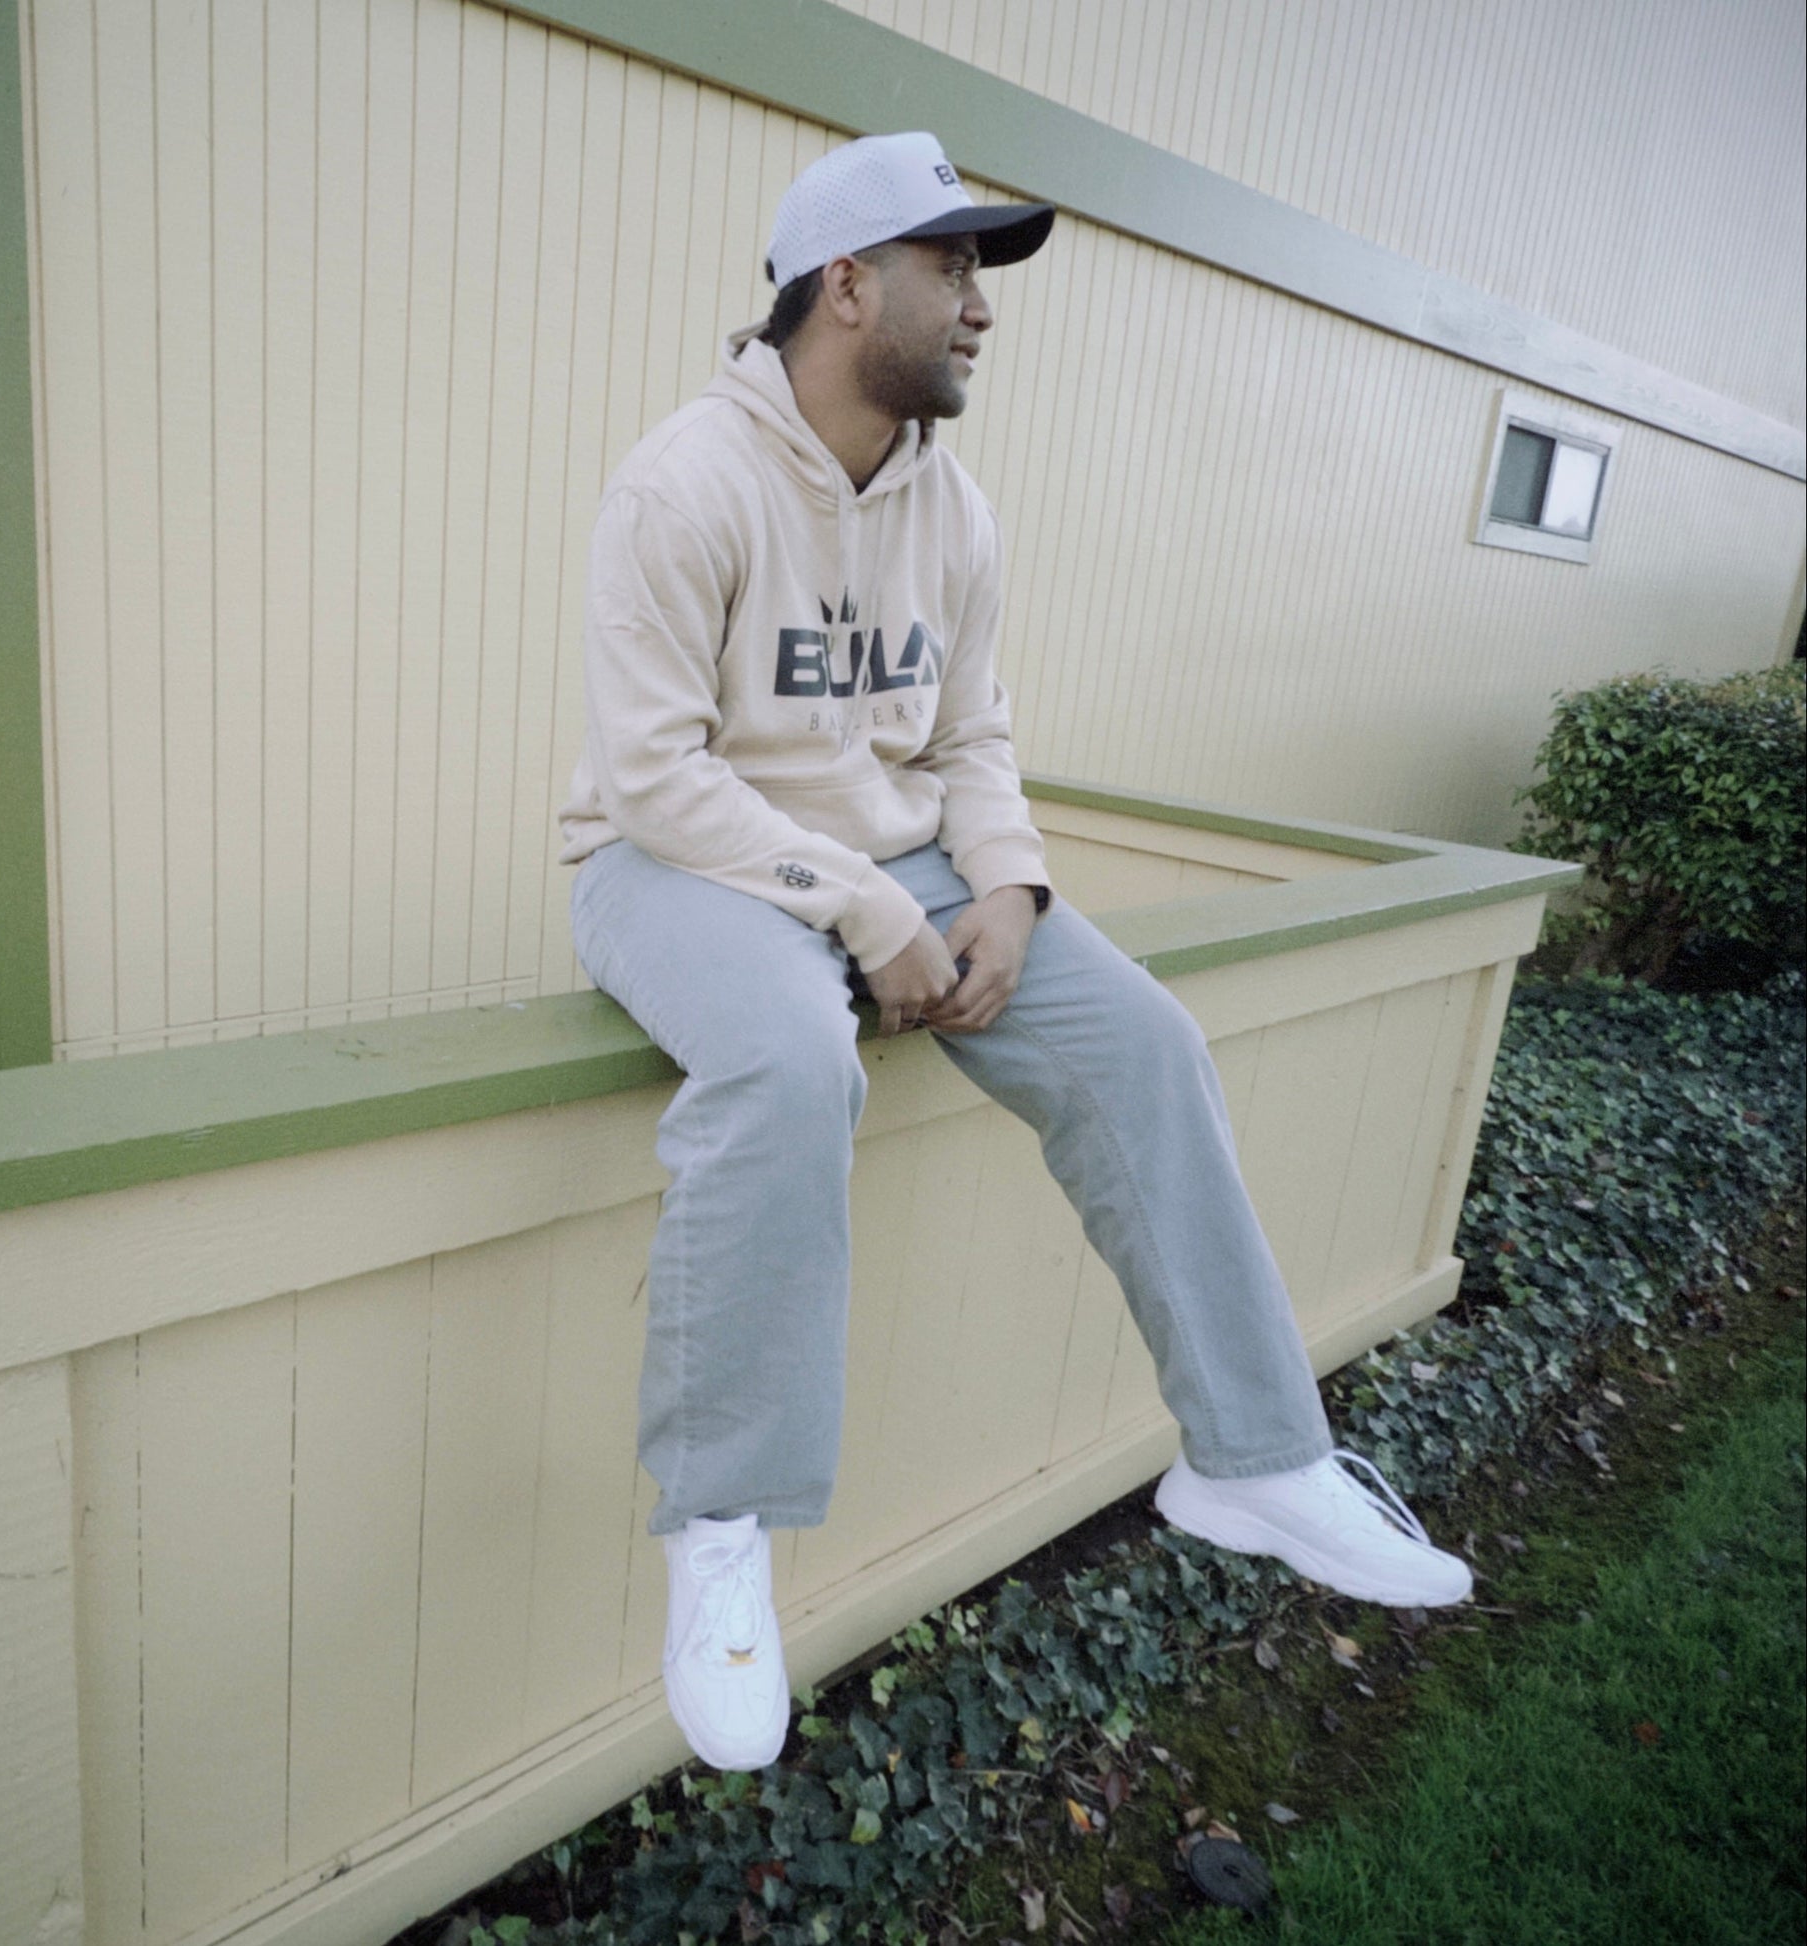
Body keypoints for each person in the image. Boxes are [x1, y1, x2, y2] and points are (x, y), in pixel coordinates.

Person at [557, 132, 1470, 1773]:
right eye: (953, 266)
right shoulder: (680, 484)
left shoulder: (952, 507)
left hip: (898, 861)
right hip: (675, 860)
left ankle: (1252, 1456)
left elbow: (971, 739)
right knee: (790, 1058)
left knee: (1144, 1042)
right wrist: (869, 911)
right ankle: (721, 1526)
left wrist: (1010, 888)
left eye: (980, 272)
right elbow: (652, 776)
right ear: (847, 284)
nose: (980, 305)